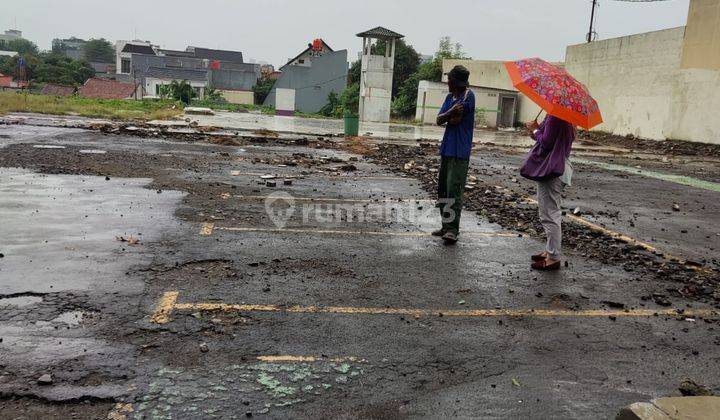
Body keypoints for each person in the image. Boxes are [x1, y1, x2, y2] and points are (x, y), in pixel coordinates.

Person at [522, 114, 575, 270]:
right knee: (548, 212)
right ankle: (549, 250)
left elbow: (546, 143)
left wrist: (536, 130)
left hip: (552, 170)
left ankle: (553, 257)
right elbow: (546, 139)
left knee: (550, 214)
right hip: (559, 168)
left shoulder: (556, 117)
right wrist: (536, 131)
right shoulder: (565, 118)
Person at [433, 65, 476, 244]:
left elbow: (456, 120)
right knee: (443, 188)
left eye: (450, 80)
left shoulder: (469, 96)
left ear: (457, 83)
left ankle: (452, 230)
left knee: (454, 190)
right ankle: (445, 225)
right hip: (447, 148)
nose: (448, 83)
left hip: (460, 151)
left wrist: (448, 115)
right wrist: (450, 112)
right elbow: (439, 119)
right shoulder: (450, 97)